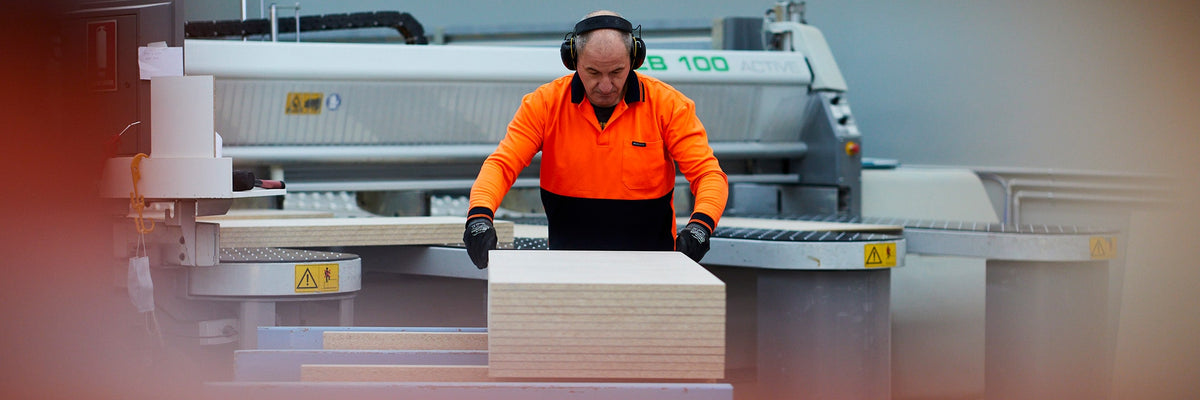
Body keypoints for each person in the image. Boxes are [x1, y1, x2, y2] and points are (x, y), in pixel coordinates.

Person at [462, 10, 728, 269]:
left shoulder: (668, 106)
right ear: (573, 60)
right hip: (567, 269)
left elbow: (708, 175)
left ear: (634, 59)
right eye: (593, 72)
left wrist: (700, 226)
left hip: (653, 271)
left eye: (616, 72)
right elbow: (502, 165)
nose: (605, 86)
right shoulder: (544, 105)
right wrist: (479, 216)